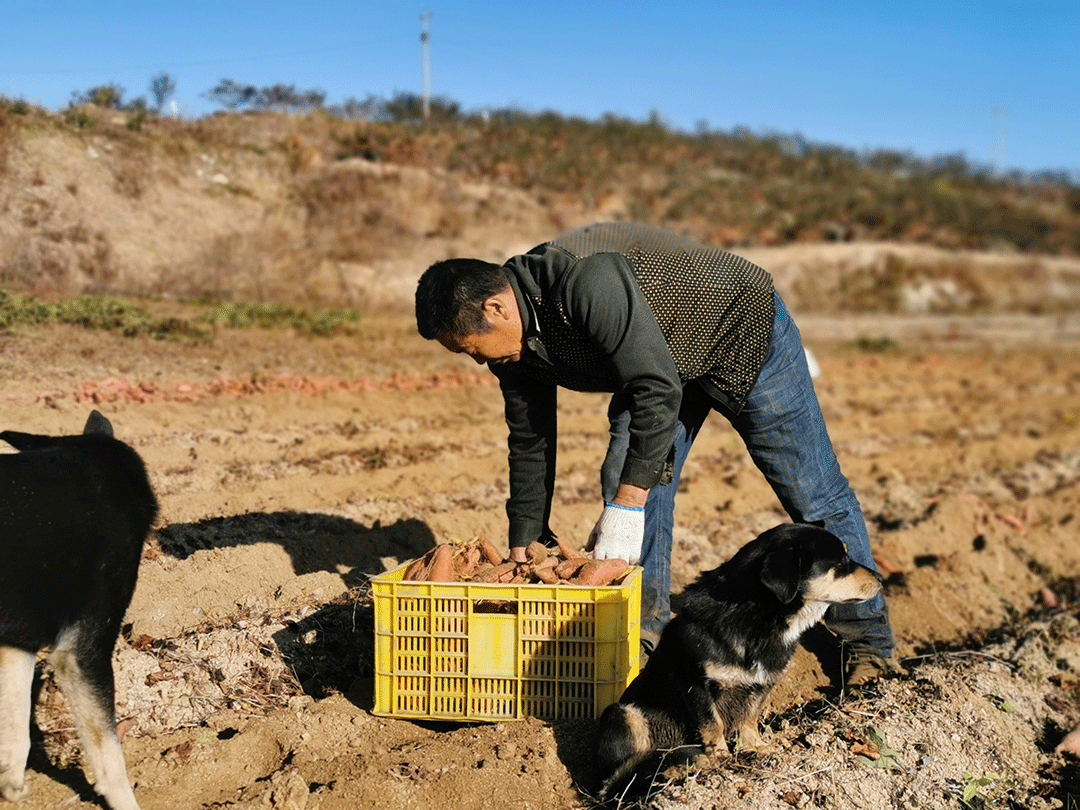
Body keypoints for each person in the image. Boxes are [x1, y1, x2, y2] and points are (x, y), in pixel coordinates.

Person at [415, 222, 896, 684]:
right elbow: (530, 437)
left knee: (812, 491)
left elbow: (653, 388)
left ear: (497, 308)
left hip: (740, 332)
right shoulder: (511, 350)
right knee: (630, 483)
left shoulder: (584, 281)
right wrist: (528, 532)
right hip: (659, 363)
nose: (476, 360)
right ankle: (644, 635)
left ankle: (869, 644)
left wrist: (626, 505)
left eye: (470, 348)